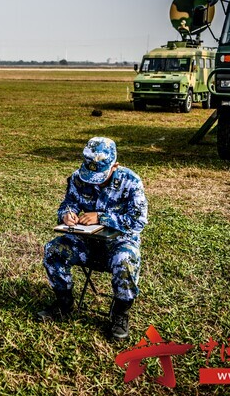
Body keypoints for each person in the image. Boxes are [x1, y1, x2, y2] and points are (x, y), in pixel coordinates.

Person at [37, 137, 148, 341]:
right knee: (53, 250)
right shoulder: (78, 178)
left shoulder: (131, 182)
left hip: (119, 243)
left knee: (125, 260)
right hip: (85, 243)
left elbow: (138, 221)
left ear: (115, 166)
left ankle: (120, 314)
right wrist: (66, 214)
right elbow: (68, 203)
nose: (93, 180)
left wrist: (102, 217)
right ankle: (64, 303)